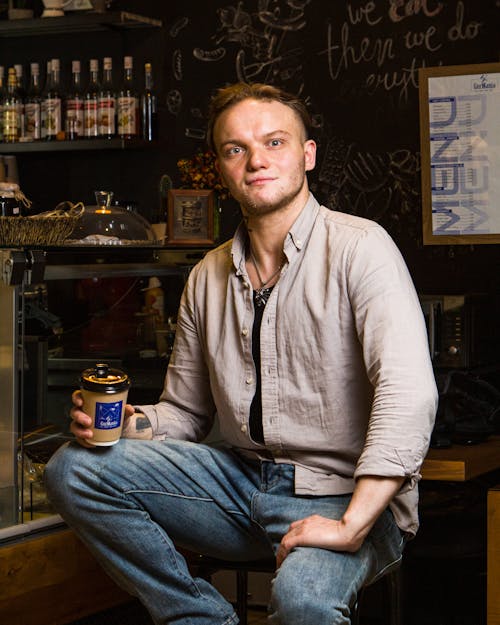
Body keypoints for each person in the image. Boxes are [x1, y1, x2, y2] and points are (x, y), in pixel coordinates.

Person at [45, 82, 438, 625]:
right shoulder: (206, 275)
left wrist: (351, 524)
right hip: (238, 485)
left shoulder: (360, 248)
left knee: (303, 604)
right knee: (74, 468)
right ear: (221, 167)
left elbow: (408, 392)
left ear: (308, 154)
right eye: (237, 149)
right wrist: (129, 424)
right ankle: (198, 618)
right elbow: (184, 414)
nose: (256, 160)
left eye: (274, 142)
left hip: (342, 495)